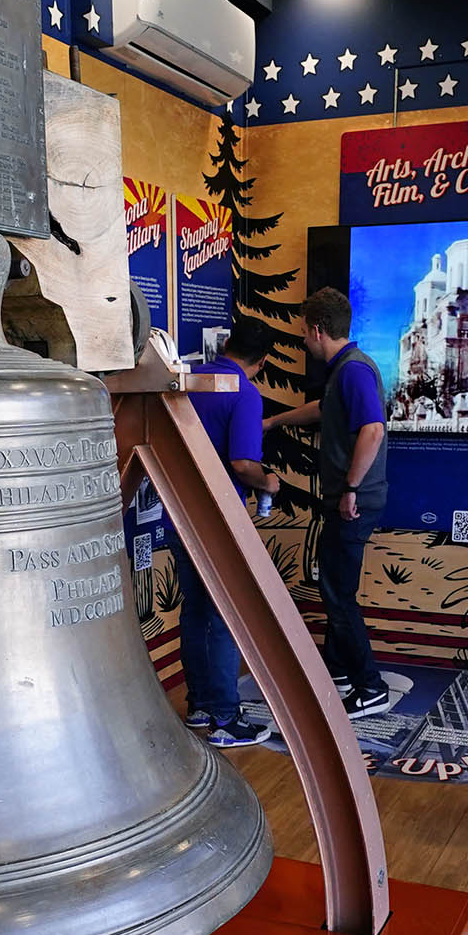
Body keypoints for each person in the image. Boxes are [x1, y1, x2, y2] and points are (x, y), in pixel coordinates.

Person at [267, 287, 393, 717]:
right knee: (333, 585)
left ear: (318, 330)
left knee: (338, 593)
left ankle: (370, 687)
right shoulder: (346, 371)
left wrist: (351, 488)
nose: (304, 340)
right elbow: (325, 409)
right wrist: (274, 421)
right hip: (350, 496)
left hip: (354, 500)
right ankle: (339, 670)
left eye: (304, 333)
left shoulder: (354, 371)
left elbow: (371, 430)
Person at [174, 318, 278, 748]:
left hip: (178, 511)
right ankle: (224, 719)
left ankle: (200, 705)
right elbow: (242, 465)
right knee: (221, 618)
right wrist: (269, 482)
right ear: (263, 361)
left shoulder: (190, 382)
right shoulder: (246, 394)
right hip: (217, 518)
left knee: (195, 611)